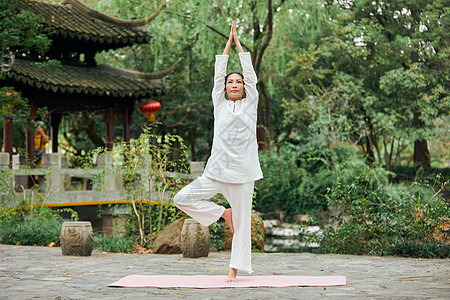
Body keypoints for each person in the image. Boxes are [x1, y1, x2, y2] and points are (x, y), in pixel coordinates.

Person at [173, 21, 263, 283]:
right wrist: (228, 43)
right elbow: (217, 73)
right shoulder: (219, 105)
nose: (234, 84)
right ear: (224, 88)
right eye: (230, 82)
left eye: (239, 82)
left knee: (243, 226)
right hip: (217, 171)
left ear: (244, 87)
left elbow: (251, 75)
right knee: (182, 198)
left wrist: (239, 45)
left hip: (243, 173)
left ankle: (233, 270)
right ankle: (223, 213)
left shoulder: (251, 105)